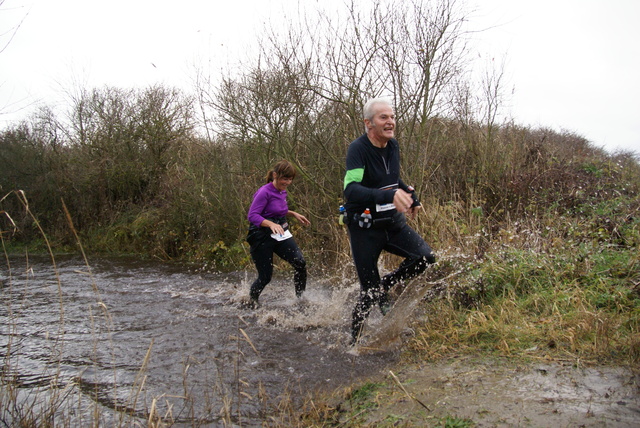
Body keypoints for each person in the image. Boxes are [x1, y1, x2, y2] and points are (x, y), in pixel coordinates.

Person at [343, 98, 436, 344]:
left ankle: (387, 285)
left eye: (392, 117)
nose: (390, 122)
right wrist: (388, 194)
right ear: (368, 123)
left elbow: (393, 180)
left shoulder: (393, 146)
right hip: (364, 227)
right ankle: (353, 345)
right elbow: (351, 189)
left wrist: (411, 196)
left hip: (392, 223)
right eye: (383, 117)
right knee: (369, 292)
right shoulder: (358, 149)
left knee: (425, 257)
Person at [246, 160, 311, 308]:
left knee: (300, 263)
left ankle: (300, 300)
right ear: (275, 175)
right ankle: (252, 301)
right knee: (265, 277)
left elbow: (275, 210)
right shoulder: (264, 191)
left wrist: (293, 213)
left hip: (280, 233)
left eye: (290, 179)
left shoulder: (282, 191)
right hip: (261, 236)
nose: (287, 182)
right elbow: (252, 215)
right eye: (284, 178)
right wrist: (270, 223)